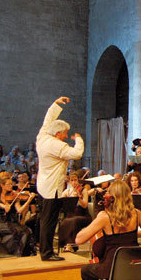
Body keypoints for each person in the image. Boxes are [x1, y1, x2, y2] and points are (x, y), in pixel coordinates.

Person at [76, 180, 141, 280]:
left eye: (108, 192)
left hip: (113, 270)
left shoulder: (104, 217)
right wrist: (132, 232)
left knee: (86, 271)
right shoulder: (136, 213)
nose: (106, 194)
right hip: (136, 270)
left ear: (112, 196)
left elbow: (79, 240)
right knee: (131, 256)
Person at [36, 96, 84, 261]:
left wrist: (55, 104)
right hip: (52, 188)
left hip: (43, 185)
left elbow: (47, 120)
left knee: (45, 220)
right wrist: (78, 139)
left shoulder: (42, 136)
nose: (66, 136)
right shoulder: (56, 145)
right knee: (49, 222)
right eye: (64, 134)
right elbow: (77, 153)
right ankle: (47, 253)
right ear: (57, 134)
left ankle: (45, 251)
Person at [0, 177, 38, 256]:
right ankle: (12, 253)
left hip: (13, 221)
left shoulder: (14, 196)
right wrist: (1, 205)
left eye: (11, 184)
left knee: (26, 231)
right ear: (2, 185)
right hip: (1, 222)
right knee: (15, 232)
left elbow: (19, 210)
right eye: (8, 184)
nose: (11, 186)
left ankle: (21, 253)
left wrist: (29, 200)